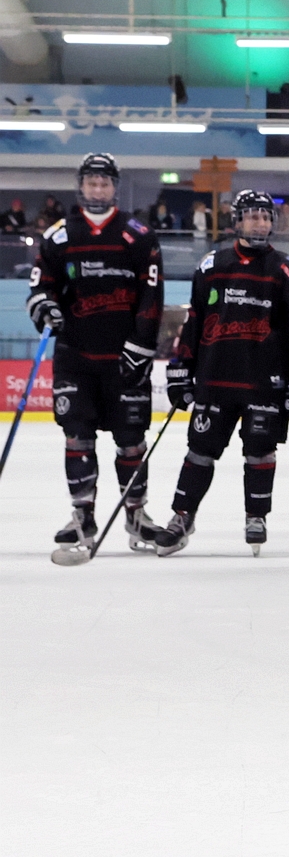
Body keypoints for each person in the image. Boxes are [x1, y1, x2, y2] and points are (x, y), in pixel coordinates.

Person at [152, 191, 289, 556]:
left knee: (260, 451)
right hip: (215, 378)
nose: (260, 223)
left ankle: (256, 516)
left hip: (265, 382)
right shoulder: (212, 265)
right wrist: (181, 368)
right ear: (237, 221)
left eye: (265, 217)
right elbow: (195, 321)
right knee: (199, 451)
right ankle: (182, 516)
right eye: (252, 216)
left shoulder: (286, 270)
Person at [28, 154, 164, 562]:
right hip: (76, 357)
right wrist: (45, 306)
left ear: (114, 187)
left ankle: (136, 514)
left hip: (125, 359)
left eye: (105, 183)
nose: (98, 189)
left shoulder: (139, 235)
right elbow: (40, 287)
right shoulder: (59, 237)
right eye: (92, 182)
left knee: (131, 440)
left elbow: (152, 298)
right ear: (81, 186)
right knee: (77, 436)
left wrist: (140, 348)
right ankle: (82, 515)